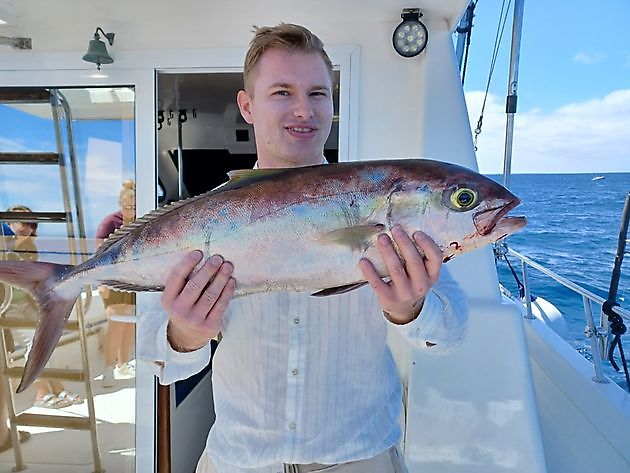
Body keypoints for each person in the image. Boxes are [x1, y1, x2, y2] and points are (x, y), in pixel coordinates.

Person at [140, 24, 468, 473]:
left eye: (318, 93)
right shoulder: (203, 218)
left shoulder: (385, 205)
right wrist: (186, 334)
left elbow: (449, 335)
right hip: (241, 460)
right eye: (282, 92)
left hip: (360, 457)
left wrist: (410, 310)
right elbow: (159, 358)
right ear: (247, 106)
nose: (304, 109)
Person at [1, 206, 83, 410]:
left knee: (48, 339)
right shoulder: (3, 244)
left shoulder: (30, 248)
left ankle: (56, 386)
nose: (24, 228)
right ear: (8, 223)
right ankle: (41, 392)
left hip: (28, 301)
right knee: (32, 342)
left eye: (30, 224)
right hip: (9, 306)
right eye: (19, 222)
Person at [96, 180, 137, 387]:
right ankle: (108, 369)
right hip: (113, 281)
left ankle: (123, 364)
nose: (130, 209)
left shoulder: (140, 221)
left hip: (132, 281)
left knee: (129, 323)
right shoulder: (110, 223)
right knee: (116, 324)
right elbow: (99, 255)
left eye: (134, 205)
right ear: (120, 202)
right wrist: (102, 284)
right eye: (127, 205)